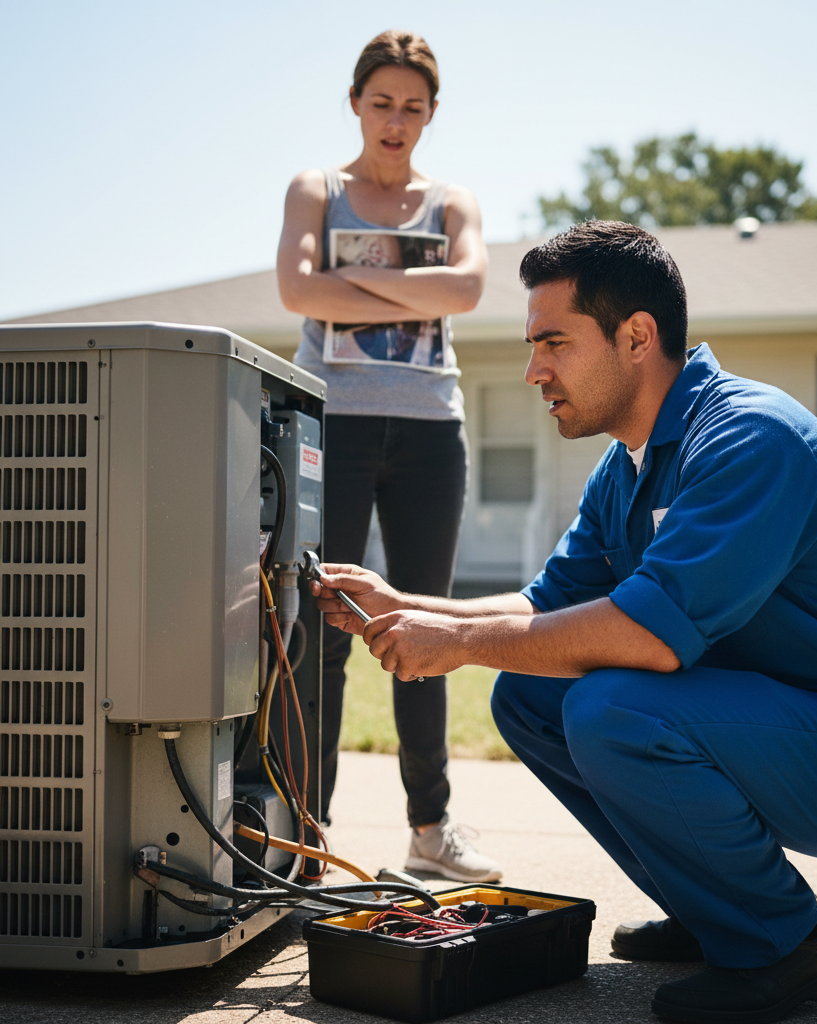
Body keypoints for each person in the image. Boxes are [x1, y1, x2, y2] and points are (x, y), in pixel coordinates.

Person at [311, 221, 817, 1024]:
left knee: (610, 707)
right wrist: (404, 605)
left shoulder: (752, 436)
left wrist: (459, 644)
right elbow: (544, 608)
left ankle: (783, 946)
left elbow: (646, 636)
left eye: (554, 342)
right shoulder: (628, 467)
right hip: (777, 722)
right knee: (529, 695)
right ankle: (712, 908)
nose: (532, 369)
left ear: (637, 337)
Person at [276, 29, 500, 883]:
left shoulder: (452, 202)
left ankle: (430, 828)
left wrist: (354, 284)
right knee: (318, 632)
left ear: (431, 113)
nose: (396, 119)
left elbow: (470, 288)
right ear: (356, 104)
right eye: (382, 102)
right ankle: (306, 833)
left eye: (413, 106)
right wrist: (416, 284)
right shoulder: (317, 189)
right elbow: (298, 290)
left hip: (431, 433)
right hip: (331, 426)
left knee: (425, 624)